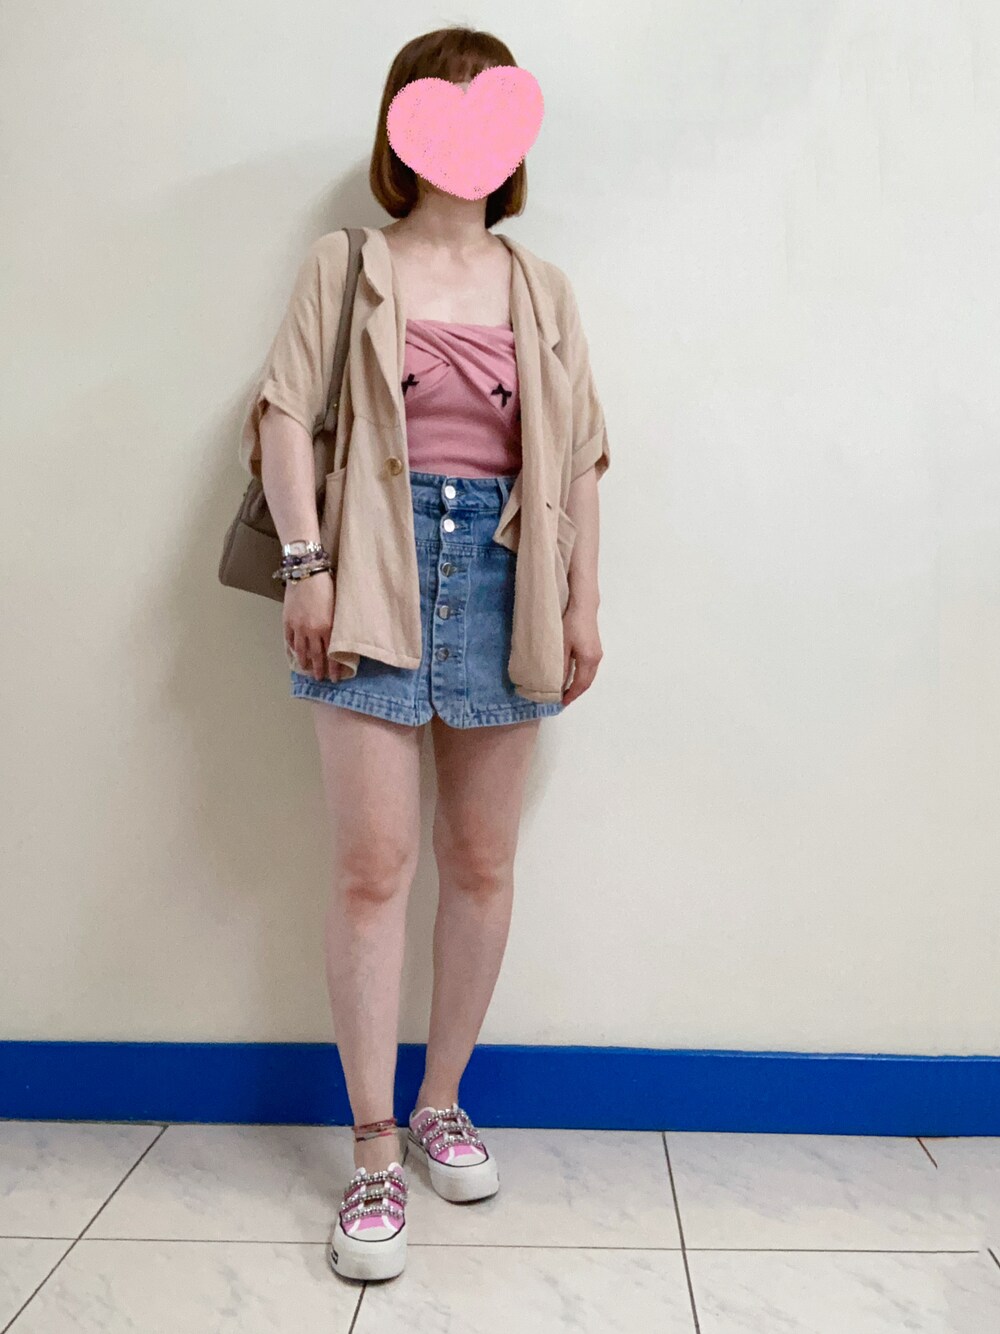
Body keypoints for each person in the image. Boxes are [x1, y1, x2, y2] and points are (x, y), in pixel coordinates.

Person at [240, 26, 610, 1282]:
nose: (463, 129)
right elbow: (284, 414)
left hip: (509, 578)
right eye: (438, 103)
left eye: (483, 104)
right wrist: (306, 563)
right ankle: (372, 1151)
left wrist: (583, 601)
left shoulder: (540, 286)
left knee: (482, 862)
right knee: (371, 867)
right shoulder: (348, 264)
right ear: (401, 126)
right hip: (373, 570)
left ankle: (443, 1099)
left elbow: (582, 459)